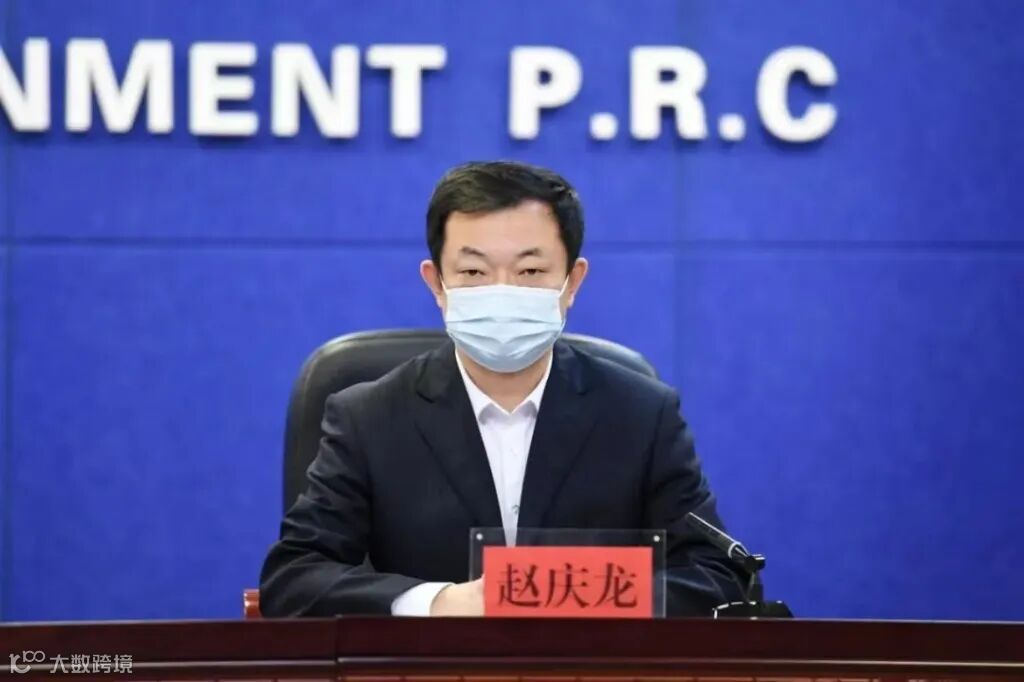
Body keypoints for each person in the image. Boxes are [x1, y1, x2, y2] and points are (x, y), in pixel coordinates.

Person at [259, 161, 746, 616]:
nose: (502, 291)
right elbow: (294, 578)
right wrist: (439, 603)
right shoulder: (369, 418)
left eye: (530, 271)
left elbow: (717, 576)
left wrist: (571, 598)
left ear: (572, 282)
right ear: (437, 284)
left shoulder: (641, 415)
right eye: (473, 272)